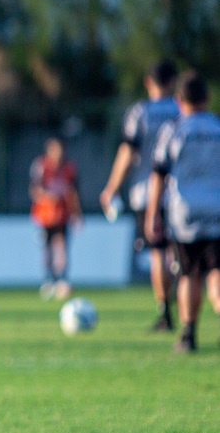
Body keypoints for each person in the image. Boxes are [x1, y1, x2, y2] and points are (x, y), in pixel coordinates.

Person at [101, 60, 180, 332]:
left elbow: (127, 153)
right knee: (178, 252)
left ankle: (165, 312)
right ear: (173, 82)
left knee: (157, 253)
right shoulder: (183, 111)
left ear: (148, 82)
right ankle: (183, 292)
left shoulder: (140, 113)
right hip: (182, 196)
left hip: (147, 194)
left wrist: (111, 187)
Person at [145, 71, 220, 353]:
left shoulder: (174, 130)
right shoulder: (217, 127)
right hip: (217, 207)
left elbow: (158, 174)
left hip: (184, 211)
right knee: (216, 271)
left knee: (189, 273)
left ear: (179, 100)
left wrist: (153, 212)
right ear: (208, 98)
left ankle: (189, 334)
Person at [29, 137, 82, 300]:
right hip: (45, 215)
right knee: (47, 247)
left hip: (63, 215)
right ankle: (48, 279)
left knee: (63, 246)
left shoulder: (69, 168)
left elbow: (73, 193)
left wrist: (77, 213)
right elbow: (34, 189)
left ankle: (62, 279)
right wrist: (48, 197)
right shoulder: (41, 166)